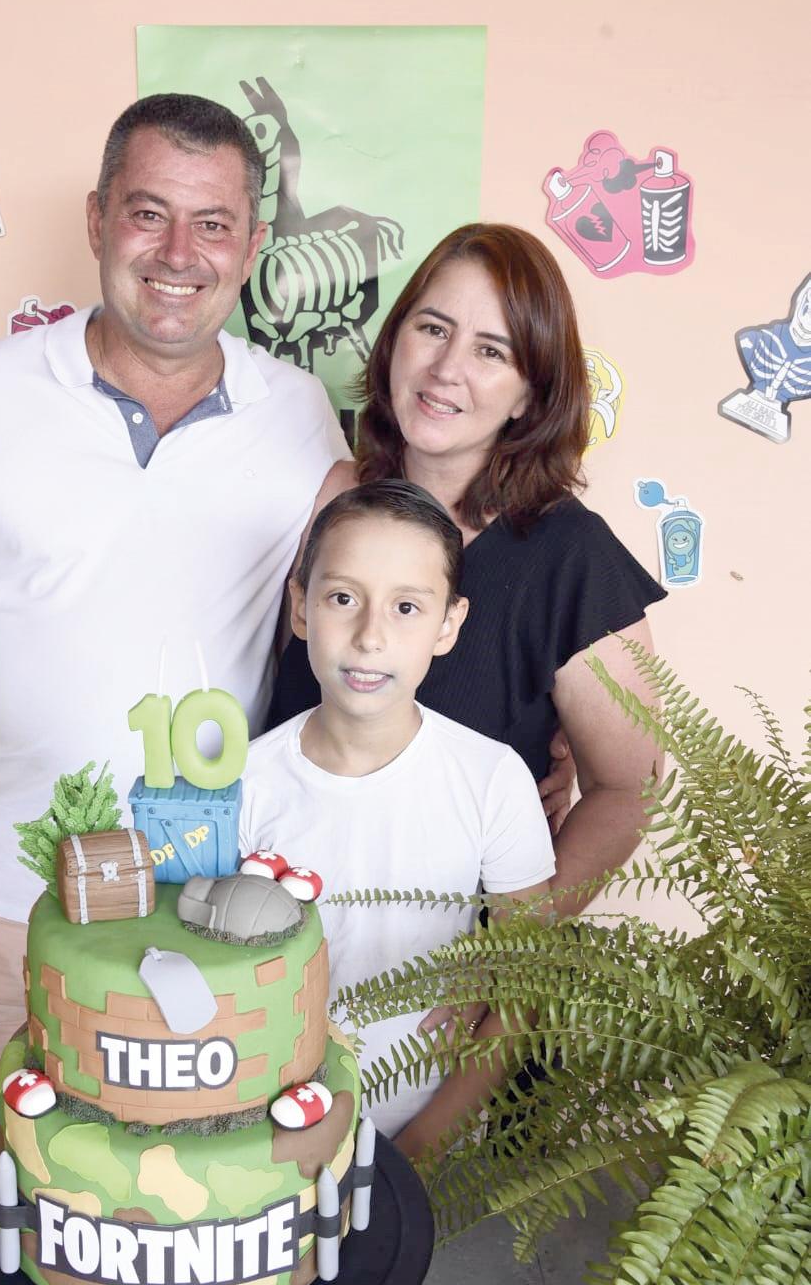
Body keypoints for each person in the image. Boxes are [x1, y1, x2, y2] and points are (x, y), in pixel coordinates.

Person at [0, 93, 348, 1085]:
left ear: (250, 246)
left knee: (181, 1201)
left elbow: (386, 599)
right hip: (6, 907)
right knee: (0, 1191)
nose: (179, 252)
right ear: (96, 220)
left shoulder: (299, 417)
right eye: (147, 212)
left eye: (212, 223)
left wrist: (526, 711)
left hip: (214, 908)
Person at [269, 224, 665, 915]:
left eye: (491, 350)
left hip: (454, 989)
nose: (447, 368)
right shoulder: (329, 497)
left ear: (529, 395)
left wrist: (505, 976)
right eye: (432, 328)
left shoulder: (572, 556)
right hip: (276, 949)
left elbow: (631, 788)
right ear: (393, 342)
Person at [241, 480, 556, 1158]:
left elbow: (523, 991)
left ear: (449, 624)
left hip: (425, 1140)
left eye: (407, 607)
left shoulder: (492, 780)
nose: (370, 635)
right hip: (263, 1143)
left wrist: (423, 1148)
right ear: (300, 607)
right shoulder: (244, 785)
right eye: (342, 598)